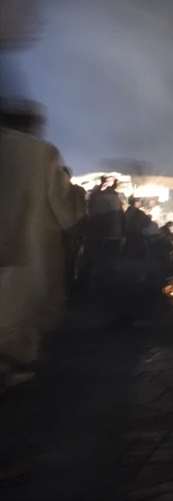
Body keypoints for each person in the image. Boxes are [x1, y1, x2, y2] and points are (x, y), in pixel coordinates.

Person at [0, 103, 83, 389]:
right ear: (31, 124)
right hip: (25, 244)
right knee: (20, 305)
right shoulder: (41, 152)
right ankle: (11, 364)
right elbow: (63, 205)